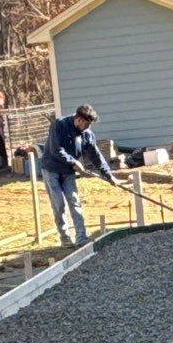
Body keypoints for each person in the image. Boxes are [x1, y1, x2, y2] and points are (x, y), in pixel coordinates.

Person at [39, 103, 116, 245]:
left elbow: (95, 155)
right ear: (78, 119)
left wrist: (107, 174)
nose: (88, 128)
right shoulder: (59, 125)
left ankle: (81, 238)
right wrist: (74, 162)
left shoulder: (86, 133)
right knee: (59, 205)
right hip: (51, 169)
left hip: (68, 171)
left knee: (74, 202)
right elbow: (56, 149)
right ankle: (64, 237)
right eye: (86, 124)